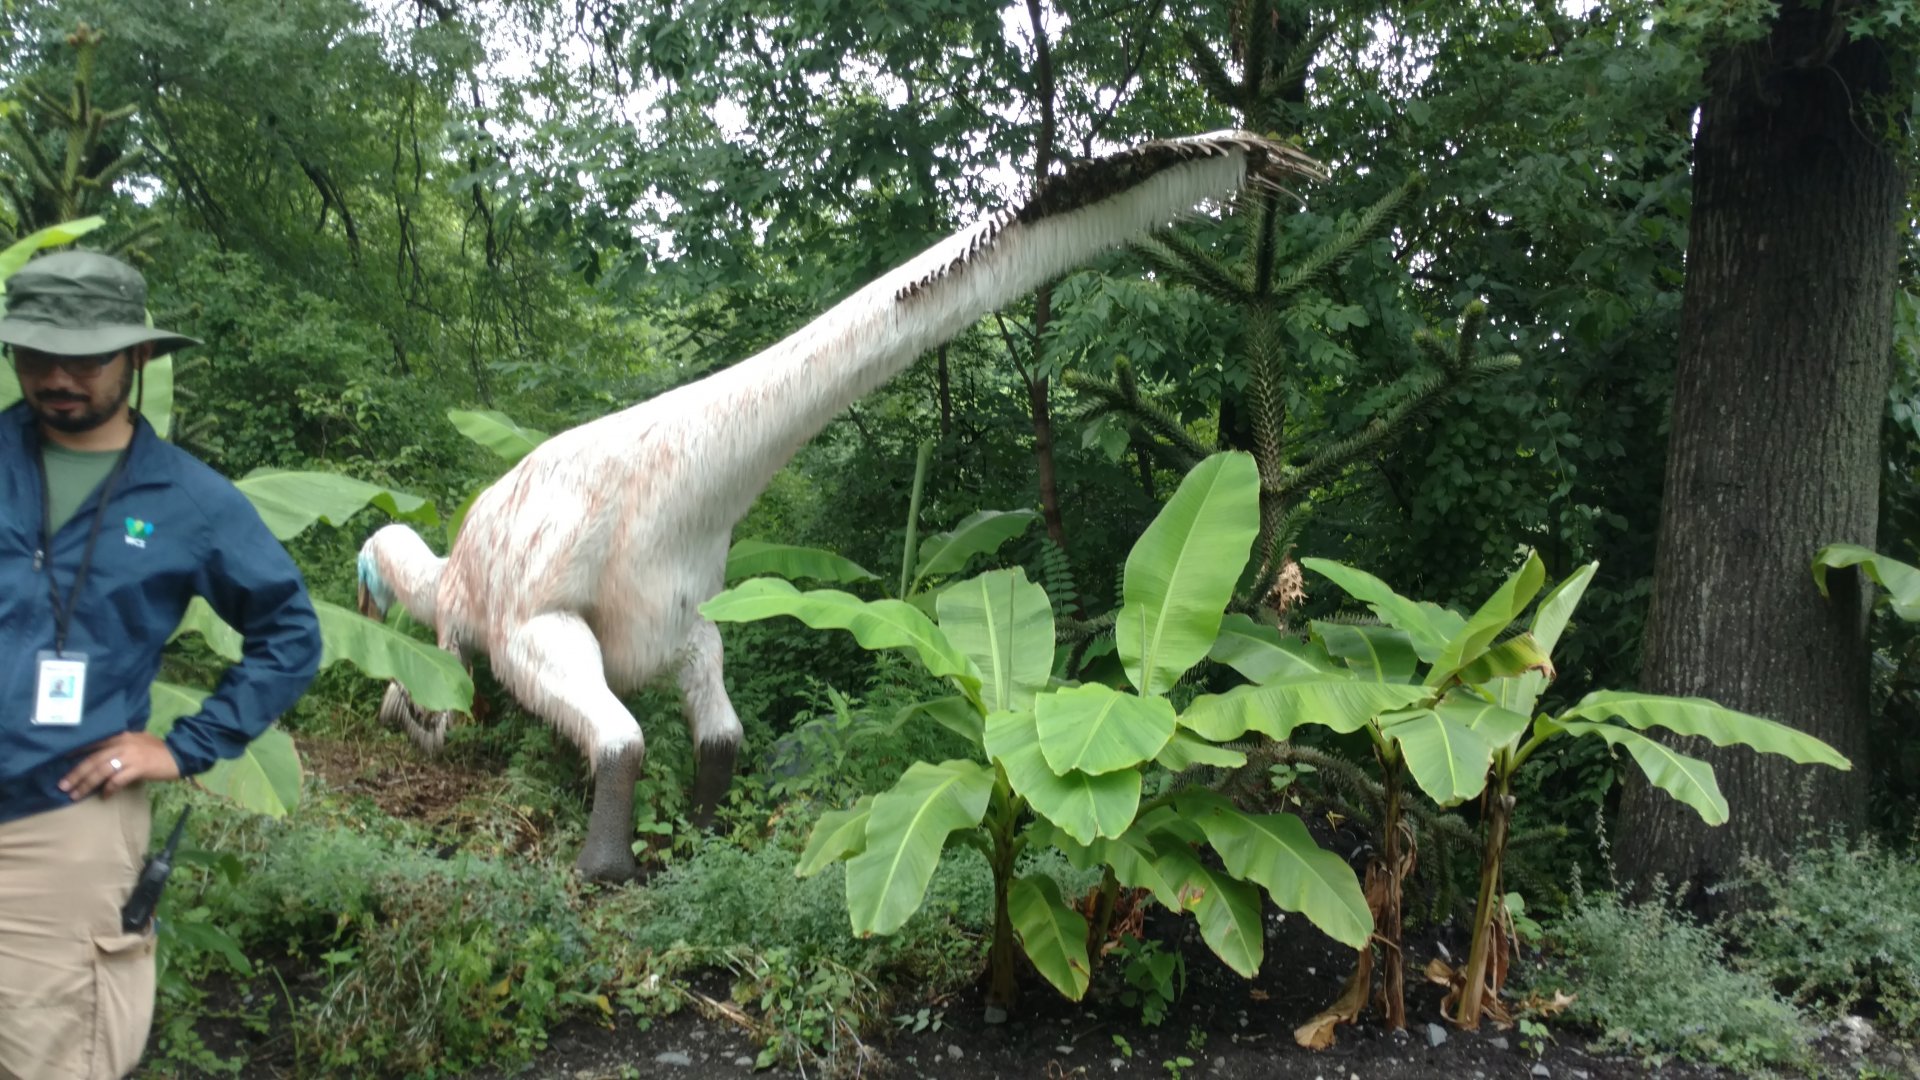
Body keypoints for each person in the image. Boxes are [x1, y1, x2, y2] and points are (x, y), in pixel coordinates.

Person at [0, 251, 322, 1079]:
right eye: (37, 355)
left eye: (86, 357)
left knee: (56, 1054)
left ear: (138, 356)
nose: (57, 377)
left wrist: (184, 745)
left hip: (58, 821)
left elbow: (290, 631)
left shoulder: (190, 502)